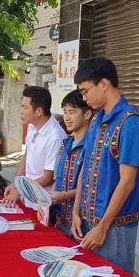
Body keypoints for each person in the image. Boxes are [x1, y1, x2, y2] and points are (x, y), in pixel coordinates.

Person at [71, 58, 139, 274]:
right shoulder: (96, 120)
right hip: (88, 221)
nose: (84, 98)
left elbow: (127, 182)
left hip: (114, 227)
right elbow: (85, 168)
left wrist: (103, 227)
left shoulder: (130, 123)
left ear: (104, 84)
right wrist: (76, 212)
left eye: (86, 91)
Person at [2, 86, 67, 209]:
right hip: (28, 197)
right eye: (22, 106)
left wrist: (21, 190)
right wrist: (16, 182)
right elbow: (27, 154)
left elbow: (47, 177)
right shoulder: (32, 126)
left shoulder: (55, 136)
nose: (21, 111)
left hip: (43, 203)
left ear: (38, 112)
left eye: (25, 107)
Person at [50, 90, 92, 236]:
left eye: (72, 112)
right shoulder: (65, 144)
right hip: (60, 220)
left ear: (87, 114)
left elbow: (90, 186)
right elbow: (57, 179)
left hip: (81, 224)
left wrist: (63, 195)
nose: (66, 118)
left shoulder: (92, 147)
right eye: (65, 112)